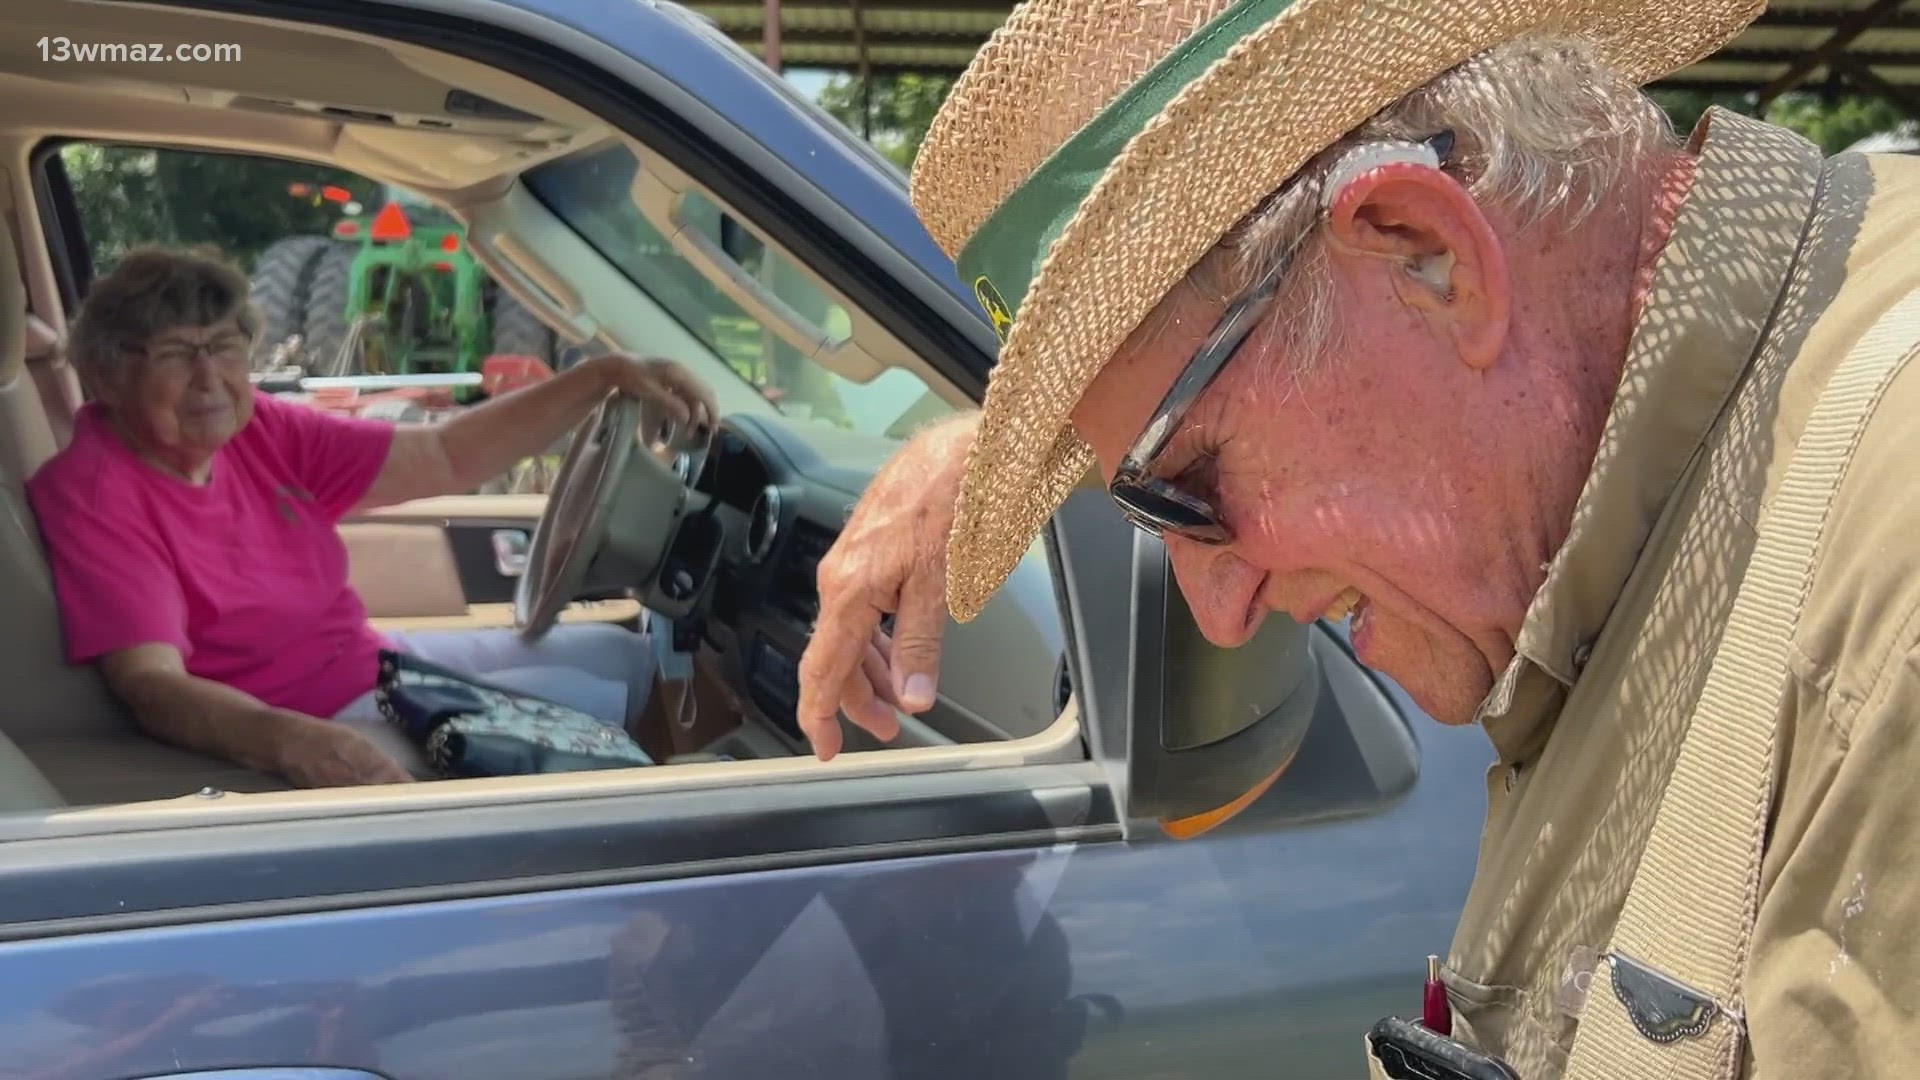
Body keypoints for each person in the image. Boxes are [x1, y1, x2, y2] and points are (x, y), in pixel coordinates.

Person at [794, 0, 1920, 1076]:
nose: (1218, 611)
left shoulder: (1886, 605)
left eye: (1185, 489)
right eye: (1137, 509)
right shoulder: (1634, 525)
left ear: (1424, 251)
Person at [27, 246, 716, 788]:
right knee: (597, 706)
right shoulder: (96, 492)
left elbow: (445, 455)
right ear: (109, 375)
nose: (210, 378)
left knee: (625, 655)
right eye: (177, 354)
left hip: (372, 660)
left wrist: (603, 376)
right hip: (314, 711)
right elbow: (152, 685)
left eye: (225, 347)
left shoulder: (254, 428)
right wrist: (288, 740)